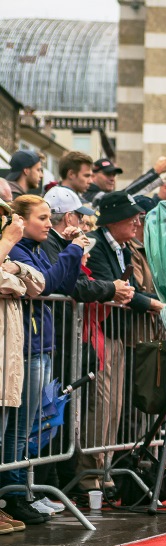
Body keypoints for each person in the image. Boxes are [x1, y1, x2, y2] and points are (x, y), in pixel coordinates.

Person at [3, 195, 86, 520]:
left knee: (29, 425)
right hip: (27, 347)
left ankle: (23, 490)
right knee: (20, 428)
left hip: (40, 345)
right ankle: (14, 495)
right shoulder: (18, 248)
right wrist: (74, 250)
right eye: (42, 218)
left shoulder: (34, 249)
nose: (49, 224)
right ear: (21, 220)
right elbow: (47, 283)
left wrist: (73, 253)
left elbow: (61, 283)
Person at [79, 191, 164, 493]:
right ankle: (90, 476)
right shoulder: (96, 244)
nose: (137, 221)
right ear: (117, 219)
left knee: (113, 409)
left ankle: (104, 472)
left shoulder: (123, 248)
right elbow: (109, 287)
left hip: (116, 334)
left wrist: (143, 299)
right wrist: (148, 302)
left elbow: (131, 289)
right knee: (100, 408)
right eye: (133, 217)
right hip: (97, 333)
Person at [0, 207, 47, 527]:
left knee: (5, 433)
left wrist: (13, 268)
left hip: (10, 358)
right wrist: (7, 245)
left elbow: (39, 283)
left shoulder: (8, 254)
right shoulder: (7, 244)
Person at [40, 186, 97, 264]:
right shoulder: (48, 242)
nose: (80, 222)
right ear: (68, 218)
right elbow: (61, 274)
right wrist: (74, 247)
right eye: (80, 217)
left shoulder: (54, 240)